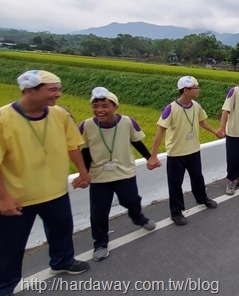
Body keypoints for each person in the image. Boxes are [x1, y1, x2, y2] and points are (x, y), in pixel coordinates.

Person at [1, 70, 91, 295]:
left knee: (62, 230)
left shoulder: (59, 115)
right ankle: (5, 286)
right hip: (19, 197)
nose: (58, 94)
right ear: (30, 90)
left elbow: (72, 145)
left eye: (59, 89)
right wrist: (4, 197)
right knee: (10, 247)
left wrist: (83, 172)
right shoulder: (3, 119)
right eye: (52, 90)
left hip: (55, 190)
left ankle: (62, 261)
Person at [79, 87, 157, 262]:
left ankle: (138, 217)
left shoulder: (128, 122)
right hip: (99, 176)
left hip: (124, 172)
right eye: (96, 106)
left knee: (131, 200)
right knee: (99, 211)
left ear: (115, 106)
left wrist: (149, 158)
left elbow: (137, 142)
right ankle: (100, 243)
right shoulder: (86, 126)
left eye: (105, 105)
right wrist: (84, 174)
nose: (100, 110)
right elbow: (84, 151)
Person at [147, 76, 219, 226]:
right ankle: (176, 211)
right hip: (176, 154)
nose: (198, 90)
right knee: (175, 183)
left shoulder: (196, 106)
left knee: (197, 177)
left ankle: (202, 198)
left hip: (193, 150)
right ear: (186, 90)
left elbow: (202, 122)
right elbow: (160, 132)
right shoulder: (171, 108)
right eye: (196, 88)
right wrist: (153, 155)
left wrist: (215, 131)